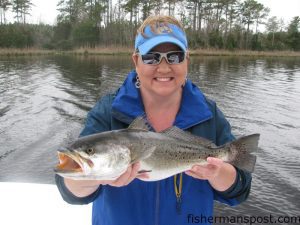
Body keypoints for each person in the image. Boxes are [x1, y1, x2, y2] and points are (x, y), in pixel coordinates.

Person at [55, 15, 252, 225]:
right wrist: (94, 179)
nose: (164, 67)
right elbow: (70, 192)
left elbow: (240, 191)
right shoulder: (108, 111)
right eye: (152, 56)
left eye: (174, 56)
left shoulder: (208, 113)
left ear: (187, 60)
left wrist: (218, 173)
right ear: (136, 61)